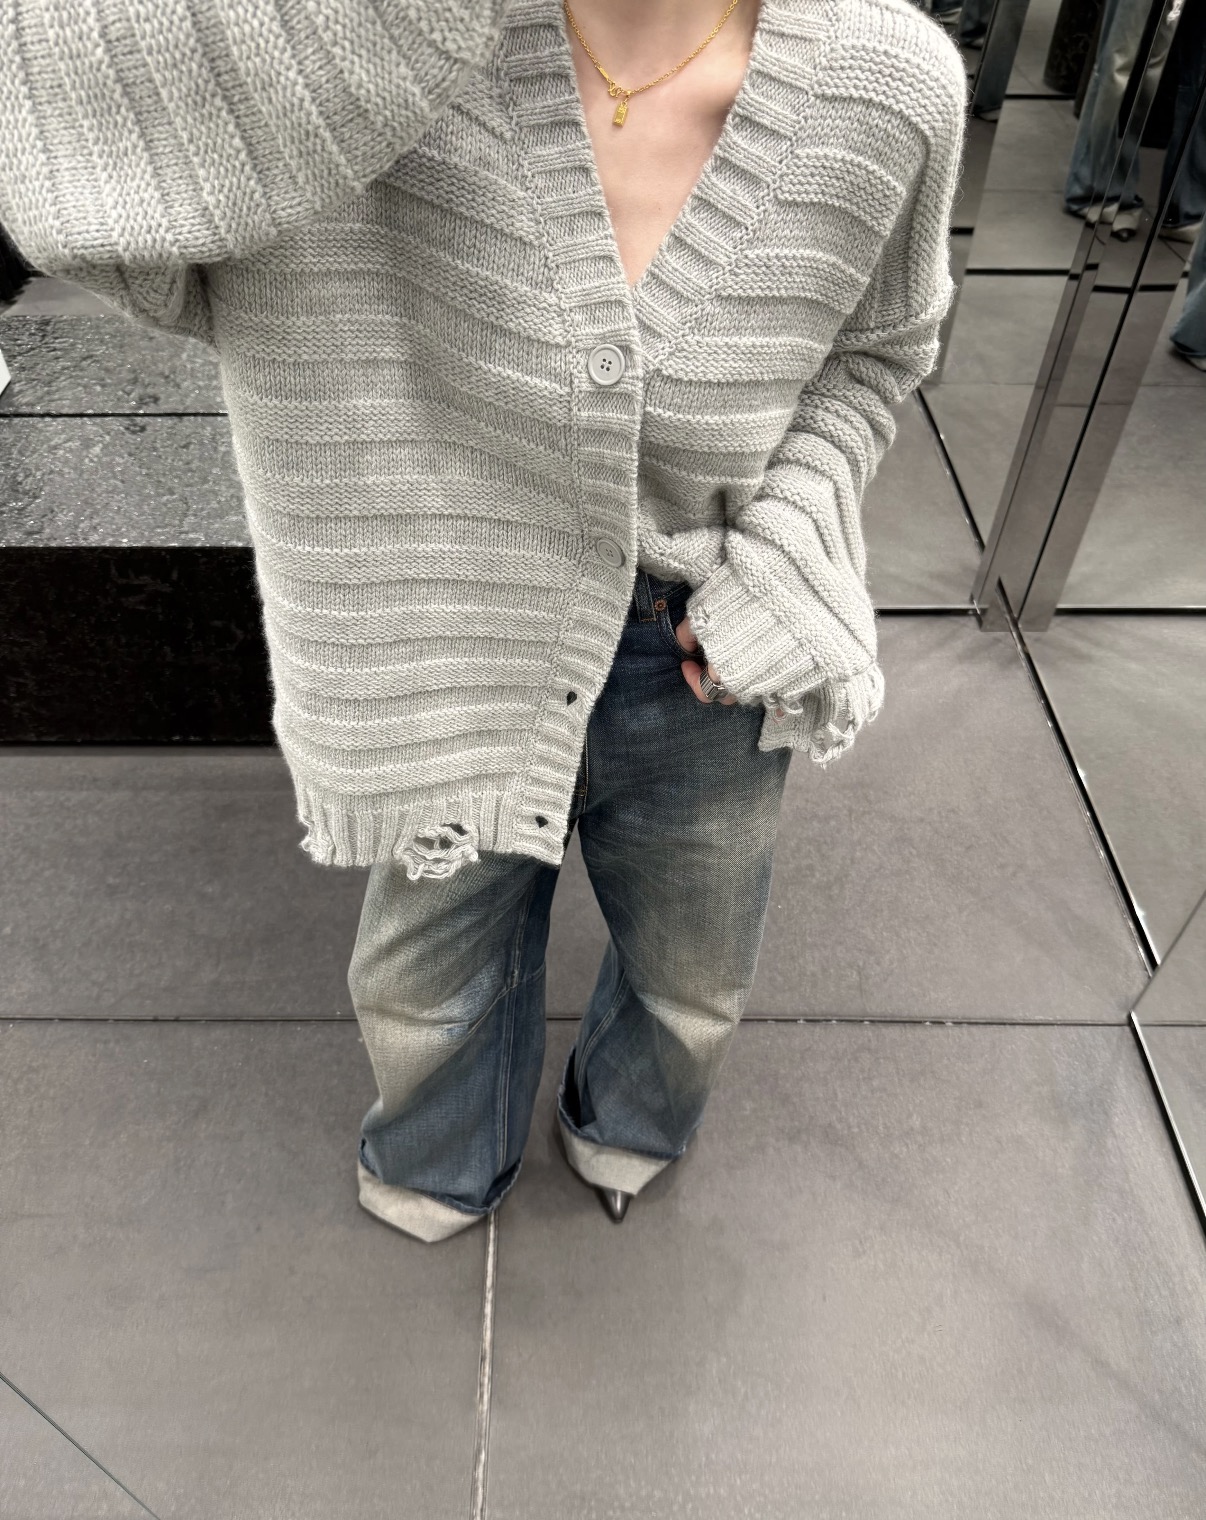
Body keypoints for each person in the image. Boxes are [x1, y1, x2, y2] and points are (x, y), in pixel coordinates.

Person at [0, 0, 967, 1241]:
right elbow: (76, 169)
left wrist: (781, 556)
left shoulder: (890, 86)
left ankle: (628, 1119)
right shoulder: (354, 66)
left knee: (694, 966)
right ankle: (441, 1155)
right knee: (425, 971)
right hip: (446, 634)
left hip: (706, 656)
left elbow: (878, 354)